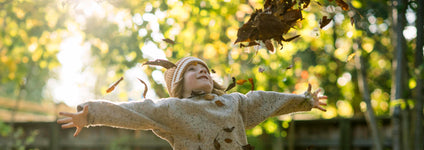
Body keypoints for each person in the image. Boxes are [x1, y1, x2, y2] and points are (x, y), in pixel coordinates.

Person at [57, 56, 327, 150]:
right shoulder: (173, 109)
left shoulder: (234, 103)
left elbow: (266, 101)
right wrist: (91, 114)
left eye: (205, 69)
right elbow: (137, 112)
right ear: (179, 85)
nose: (202, 71)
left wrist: (304, 100)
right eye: (192, 69)